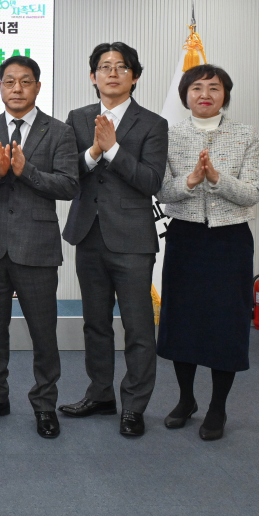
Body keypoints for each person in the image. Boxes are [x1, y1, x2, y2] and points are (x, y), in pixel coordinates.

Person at [0, 55, 78, 439]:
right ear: (0, 86)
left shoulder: (59, 132)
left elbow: (69, 185)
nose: (17, 88)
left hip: (37, 245)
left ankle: (45, 404)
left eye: (25, 81)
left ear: (37, 87)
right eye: (9, 81)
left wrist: (24, 171)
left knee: (43, 332)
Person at [59, 43, 168, 437]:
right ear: (93, 76)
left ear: (134, 76)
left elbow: (151, 181)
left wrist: (114, 149)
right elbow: (67, 175)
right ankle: (100, 394)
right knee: (95, 324)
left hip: (133, 240)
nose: (112, 73)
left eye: (122, 67)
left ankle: (134, 406)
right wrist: (93, 151)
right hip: (88, 234)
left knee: (138, 327)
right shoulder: (78, 118)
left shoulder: (153, 123)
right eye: (104, 67)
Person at [156, 64, 259, 441]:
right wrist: (190, 181)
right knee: (181, 320)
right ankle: (186, 399)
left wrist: (217, 179)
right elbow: (161, 192)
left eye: (214, 88)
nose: (205, 94)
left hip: (230, 241)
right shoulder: (169, 135)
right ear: (185, 95)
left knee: (225, 324)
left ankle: (218, 407)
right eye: (197, 87)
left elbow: (253, 193)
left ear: (225, 95)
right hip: (184, 238)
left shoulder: (245, 135)